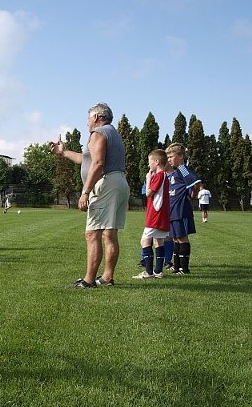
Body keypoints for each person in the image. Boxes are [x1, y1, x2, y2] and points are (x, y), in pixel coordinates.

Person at [49, 102, 130, 288]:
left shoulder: (98, 133)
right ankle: (107, 278)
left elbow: (98, 163)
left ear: (96, 118)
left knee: (92, 233)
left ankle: (88, 280)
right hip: (119, 182)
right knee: (110, 234)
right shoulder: (113, 134)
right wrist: (63, 152)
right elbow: (86, 159)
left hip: (106, 184)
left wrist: (85, 191)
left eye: (88, 118)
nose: (87, 123)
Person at [132, 149, 170, 280]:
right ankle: (158, 271)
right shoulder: (164, 176)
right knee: (159, 241)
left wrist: (148, 179)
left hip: (155, 214)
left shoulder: (159, 175)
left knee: (145, 241)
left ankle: (148, 272)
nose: (149, 165)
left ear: (157, 162)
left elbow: (149, 193)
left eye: (150, 162)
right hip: (161, 214)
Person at [166, 142, 201, 274]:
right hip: (172, 211)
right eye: (167, 157)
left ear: (180, 156)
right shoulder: (175, 172)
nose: (169, 160)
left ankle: (184, 268)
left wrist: (194, 194)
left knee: (182, 238)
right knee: (175, 238)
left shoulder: (182, 169)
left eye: (171, 156)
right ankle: (177, 267)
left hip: (181, 211)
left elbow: (196, 181)